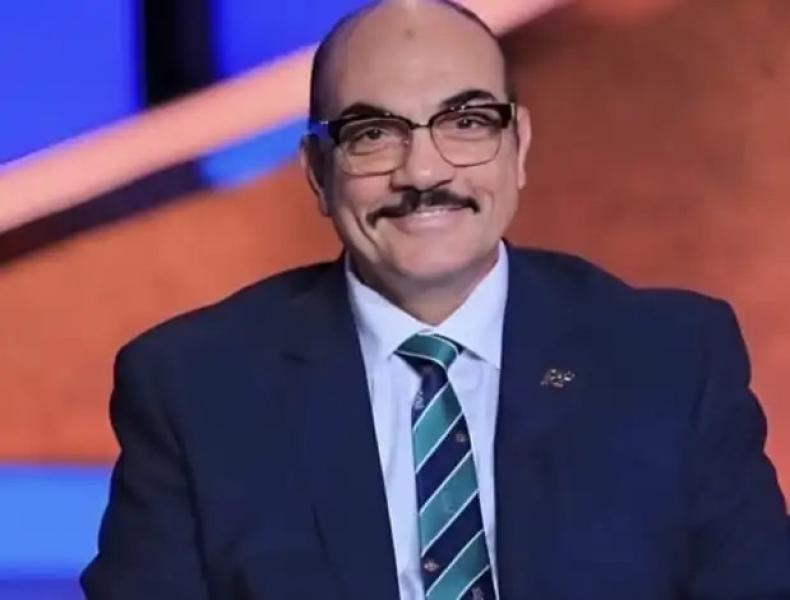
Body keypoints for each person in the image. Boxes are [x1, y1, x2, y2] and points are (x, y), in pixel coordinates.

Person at [82, 1, 790, 598]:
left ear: (518, 147)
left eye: (467, 122)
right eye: (372, 134)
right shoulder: (195, 386)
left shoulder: (670, 359)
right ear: (318, 172)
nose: (423, 172)